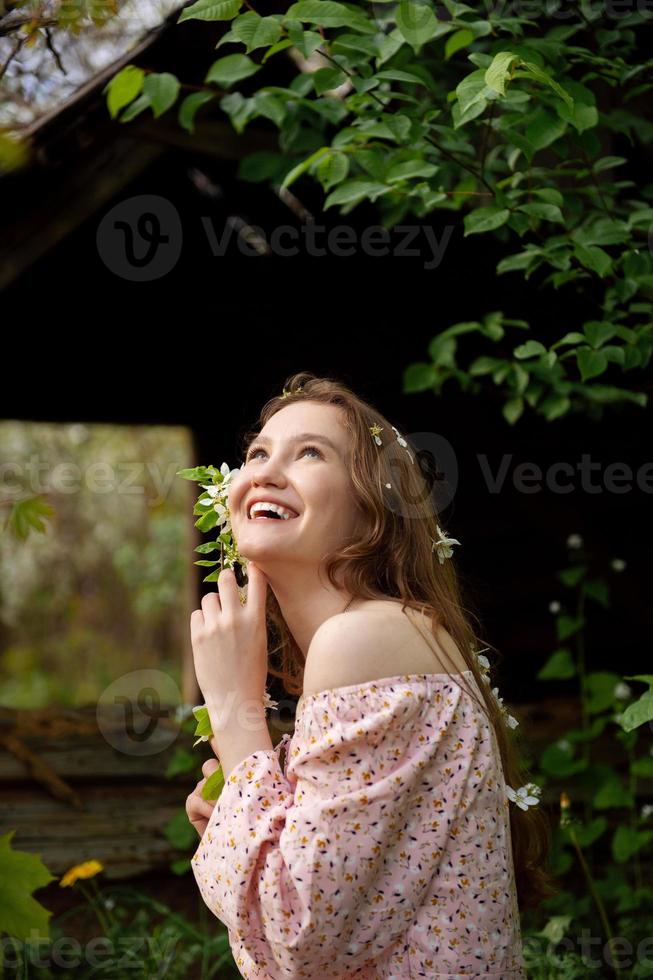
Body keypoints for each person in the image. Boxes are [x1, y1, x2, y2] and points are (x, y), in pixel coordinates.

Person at [186, 372, 555, 978]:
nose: (265, 471)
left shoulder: (367, 637)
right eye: (257, 452)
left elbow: (297, 937)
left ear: (373, 510)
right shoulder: (373, 645)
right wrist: (236, 821)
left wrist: (234, 712)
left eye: (310, 452)